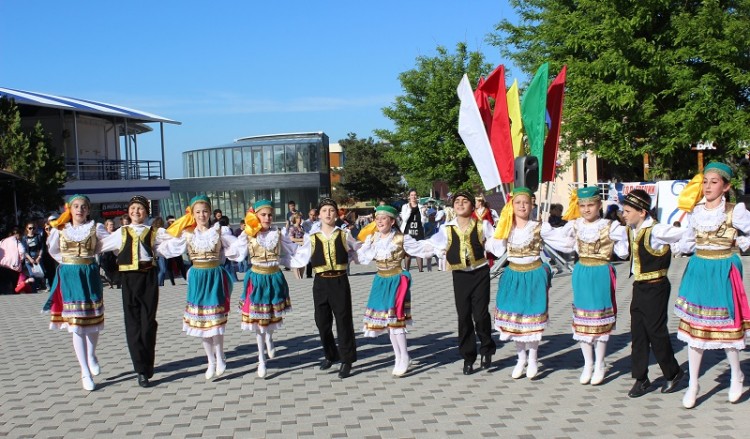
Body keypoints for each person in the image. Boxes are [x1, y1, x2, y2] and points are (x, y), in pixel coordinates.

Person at [673, 162, 750, 408]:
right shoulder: (695, 211)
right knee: (695, 329)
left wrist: (741, 241)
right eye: (705, 181)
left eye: (714, 182)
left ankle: (736, 374)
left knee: (727, 325)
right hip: (699, 269)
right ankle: (693, 383)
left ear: (725, 187)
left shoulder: (734, 211)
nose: (707, 186)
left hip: (723, 269)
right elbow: (687, 241)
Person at [489, 187, 573, 379]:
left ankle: (533, 359)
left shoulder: (539, 226)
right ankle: (521, 358)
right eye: (518, 202)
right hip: (513, 275)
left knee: (531, 318)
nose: (522, 206)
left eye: (526, 202)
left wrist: (578, 232)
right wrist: (501, 226)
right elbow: (495, 249)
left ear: (532, 204)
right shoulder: (507, 227)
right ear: (512, 205)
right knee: (516, 319)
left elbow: (562, 240)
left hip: (534, 275)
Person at [162, 195, 240, 380]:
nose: (202, 215)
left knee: (215, 322)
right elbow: (168, 247)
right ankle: (210, 361)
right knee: (203, 324)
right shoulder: (188, 234)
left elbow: (236, 248)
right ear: (192, 214)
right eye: (198, 212)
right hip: (198, 278)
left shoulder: (219, 231)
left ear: (210, 213)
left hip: (214, 276)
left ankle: (220, 357)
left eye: (205, 211)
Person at [558, 186, 629, 385]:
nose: (587, 209)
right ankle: (588, 363)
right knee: (582, 319)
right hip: (582, 272)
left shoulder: (609, 226)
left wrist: (621, 246)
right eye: (582, 205)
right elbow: (562, 242)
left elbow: (623, 249)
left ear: (599, 205)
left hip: (600, 272)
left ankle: (600, 363)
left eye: (591, 205)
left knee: (600, 318)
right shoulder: (574, 226)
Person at [422, 191, 497, 375]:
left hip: (480, 273)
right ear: (453, 206)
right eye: (457, 201)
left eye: (465, 201)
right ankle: (468, 357)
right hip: (460, 275)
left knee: (480, 315)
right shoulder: (446, 228)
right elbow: (432, 245)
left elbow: (496, 242)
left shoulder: (483, 225)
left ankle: (487, 348)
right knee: (463, 317)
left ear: (472, 206)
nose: (461, 204)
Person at [620, 189, 685, 398]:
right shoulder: (631, 229)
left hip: (656, 286)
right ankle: (641, 378)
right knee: (638, 332)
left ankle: (673, 372)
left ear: (642, 212)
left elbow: (681, 234)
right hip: (639, 287)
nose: (624, 214)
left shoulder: (656, 231)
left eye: (628, 211)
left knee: (656, 331)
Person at [100, 195, 171, 388]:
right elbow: (101, 246)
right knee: (132, 323)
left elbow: (171, 243)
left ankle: (147, 363)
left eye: (140, 209)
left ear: (146, 212)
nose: (136, 212)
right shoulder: (122, 232)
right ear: (128, 212)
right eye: (133, 209)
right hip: (129, 278)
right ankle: (140, 369)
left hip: (148, 277)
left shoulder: (153, 232)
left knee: (148, 322)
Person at [357, 205, 433, 376]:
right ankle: (398, 356)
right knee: (388, 322)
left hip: (397, 280)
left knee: (396, 319)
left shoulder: (401, 238)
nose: (379, 221)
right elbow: (361, 257)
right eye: (377, 218)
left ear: (392, 221)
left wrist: (439, 247)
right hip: (381, 281)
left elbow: (421, 248)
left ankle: (404, 356)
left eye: (383, 218)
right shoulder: (373, 239)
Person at [46, 194, 109, 391]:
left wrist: (93, 256)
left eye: (83, 206)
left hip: (89, 274)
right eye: (76, 206)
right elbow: (53, 250)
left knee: (93, 321)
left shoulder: (95, 228)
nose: (79, 210)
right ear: (69, 209)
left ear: (88, 210)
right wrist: (67, 262)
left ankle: (91, 355)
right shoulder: (60, 230)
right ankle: (84, 371)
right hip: (70, 276)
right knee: (76, 324)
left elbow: (107, 244)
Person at [235, 200, 303, 378]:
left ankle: (270, 338)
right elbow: (235, 251)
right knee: (258, 321)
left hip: (273, 278)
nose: (267, 218)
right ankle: (261, 359)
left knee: (270, 318)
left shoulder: (278, 233)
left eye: (270, 215)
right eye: (263, 214)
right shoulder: (249, 234)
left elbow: (292, 250)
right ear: (256, 216)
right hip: (256, 278)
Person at [296, 197, 361, 378]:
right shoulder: (312, 237)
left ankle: (347, 360)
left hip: (339, 281)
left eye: (331, 210)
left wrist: (370, 250)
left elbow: (358, 250)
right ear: (318, 215)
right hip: (320, 282)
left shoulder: (343, 234)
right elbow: (301, 256)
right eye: (324, 211)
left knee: (343, 320)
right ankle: (331, 354)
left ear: (336, 214)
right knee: (322, 322)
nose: (328, 214)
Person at [400, 190, 426, 272]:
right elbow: (404, 219)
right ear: (409, 196)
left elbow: (424, 221)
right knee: (408, 251)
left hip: (418, 231)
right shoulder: (405, 206)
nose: (413, 197)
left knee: (419, 251)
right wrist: (410, 210)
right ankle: (407, 269)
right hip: (408, 231)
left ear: (417, 196)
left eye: (415, 195)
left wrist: (424, 214)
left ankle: (421, 270)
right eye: (412, 195)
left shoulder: (421, 206)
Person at [21, 220, 45, 292]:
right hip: (29, 258)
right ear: (27, 229)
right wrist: (30, 259)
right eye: (30, 228)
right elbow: (24, 250)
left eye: (33, 228)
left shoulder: (38, 236)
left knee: (38, 274)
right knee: (32, 275)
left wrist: (39, 257)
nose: (32, 230)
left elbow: (41, 247)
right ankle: (34, 290)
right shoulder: (24, 238)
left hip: (37, 257)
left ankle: (36, 288)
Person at [0, 227, 25, 295]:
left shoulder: (2, 241)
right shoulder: (17, 241)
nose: (16, 235)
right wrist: (21, 260)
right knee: (13, 286)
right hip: (14, 267)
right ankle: (12, 299)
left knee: (3, 285)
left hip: (2, 266)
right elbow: (22, 252)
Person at [152, 217, 173, 287]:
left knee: (161, 269)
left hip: (157, 252)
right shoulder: (162, 230)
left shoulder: (153, 231)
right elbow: (169, 236)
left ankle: (161, 284)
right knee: (163, 269)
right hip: (162, 251)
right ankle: (159, 284)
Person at [287, 213, 306, 280]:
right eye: (298, 218)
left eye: (300, 218)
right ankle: (298, 278)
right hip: (295, 248)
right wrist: (302, 240)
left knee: (302, 265)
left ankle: (300, 278)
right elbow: (291, 239)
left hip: (302, 248)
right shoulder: (292, 227)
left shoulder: (301, 227)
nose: (300, 219)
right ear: (294, 219)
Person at [302, 209, 318, 279]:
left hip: (316, 241)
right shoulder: (305, 223)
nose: (312, 216)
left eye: (314, 215)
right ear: (309, 214)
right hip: (308, 241)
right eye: (311, 215)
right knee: (309, 258)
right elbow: (304, 232)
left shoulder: (319, 223)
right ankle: (309, 274)